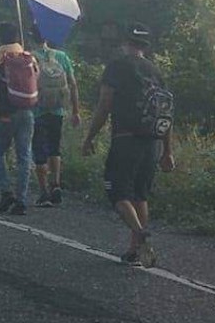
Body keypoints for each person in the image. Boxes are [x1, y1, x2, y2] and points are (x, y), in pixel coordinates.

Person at [82, 23, 176, 268]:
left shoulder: (117, 67)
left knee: (118, 192)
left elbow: (105, 104)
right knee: (140, 194)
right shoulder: (155, 71)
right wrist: (167, 151)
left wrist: (90, 136)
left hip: (125, 138)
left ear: (126, 43)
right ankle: (135, 250)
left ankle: (140, 232)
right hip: (153, 142)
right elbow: (166, 113)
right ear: (145, 46)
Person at [0, 22, 38, 216]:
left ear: (0, 37)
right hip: (28, 112)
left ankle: (6, 191)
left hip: (6, 113)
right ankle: (21, 200)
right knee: (24, 156)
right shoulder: (28, 58)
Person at [30, 26, 81, 207]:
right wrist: (75, 110)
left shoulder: (30, 57)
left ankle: (44, 192)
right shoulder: (62, 57)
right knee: (54, 148)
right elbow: (72, 85)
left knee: (39, 151)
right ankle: (56, 184)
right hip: (58, 110)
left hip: (37, 110)